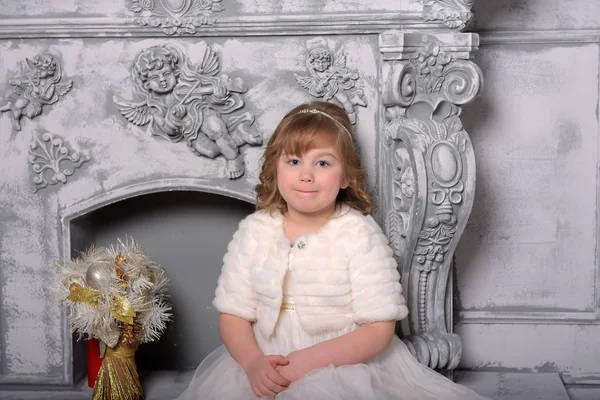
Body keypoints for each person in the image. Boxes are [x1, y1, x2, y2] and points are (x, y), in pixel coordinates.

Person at [176, 101, 488, 399]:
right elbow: (234, 313)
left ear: (347, 177)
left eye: (322, 163)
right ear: (275, 167)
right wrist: (253, 363)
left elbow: (379, 329)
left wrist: (303, 364)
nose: (306, 175)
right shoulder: (255, 230)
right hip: (262, 359)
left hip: (341, 361)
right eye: (294, 161)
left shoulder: (358, 233)